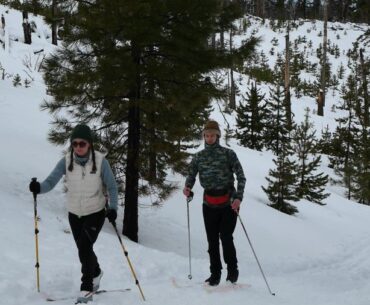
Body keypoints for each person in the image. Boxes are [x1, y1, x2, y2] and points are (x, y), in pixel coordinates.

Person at [29, 124, 118, 304]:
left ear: (89, 144)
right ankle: (96, 272)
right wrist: (39, 188)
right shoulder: (66, 161)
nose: (78, 147)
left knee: (85, 246)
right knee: (83, 250)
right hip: (74, 213)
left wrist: (113, 208)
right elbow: (51, 181)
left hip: (95, 211)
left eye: (82, 143)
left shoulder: (101, 161)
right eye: (75, 143)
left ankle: (86, 289)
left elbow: (112, 186)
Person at [183, 120, 246, 286]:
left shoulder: (228, 154)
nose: (210, 138)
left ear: (218, 136)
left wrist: (238, 197)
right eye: (207, 135)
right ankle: (215, 274)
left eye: (213, 135)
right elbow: (191, 176)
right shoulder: (199, 157)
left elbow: (241, 176)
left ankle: (232, 271)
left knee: (225, 237)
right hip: (209, 203)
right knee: (212, 240)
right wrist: (188, 187)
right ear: (203, 136)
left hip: (229, 202)